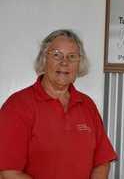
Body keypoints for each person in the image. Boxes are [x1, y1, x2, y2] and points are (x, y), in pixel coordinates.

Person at [0, 29, 117, 179]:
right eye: (56, 55)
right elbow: (8, 172)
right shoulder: (18, 106)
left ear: (79, 64)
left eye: (72, 57)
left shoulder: (87, 105)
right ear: (44, 59)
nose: (64, 62)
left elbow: (101, 161)